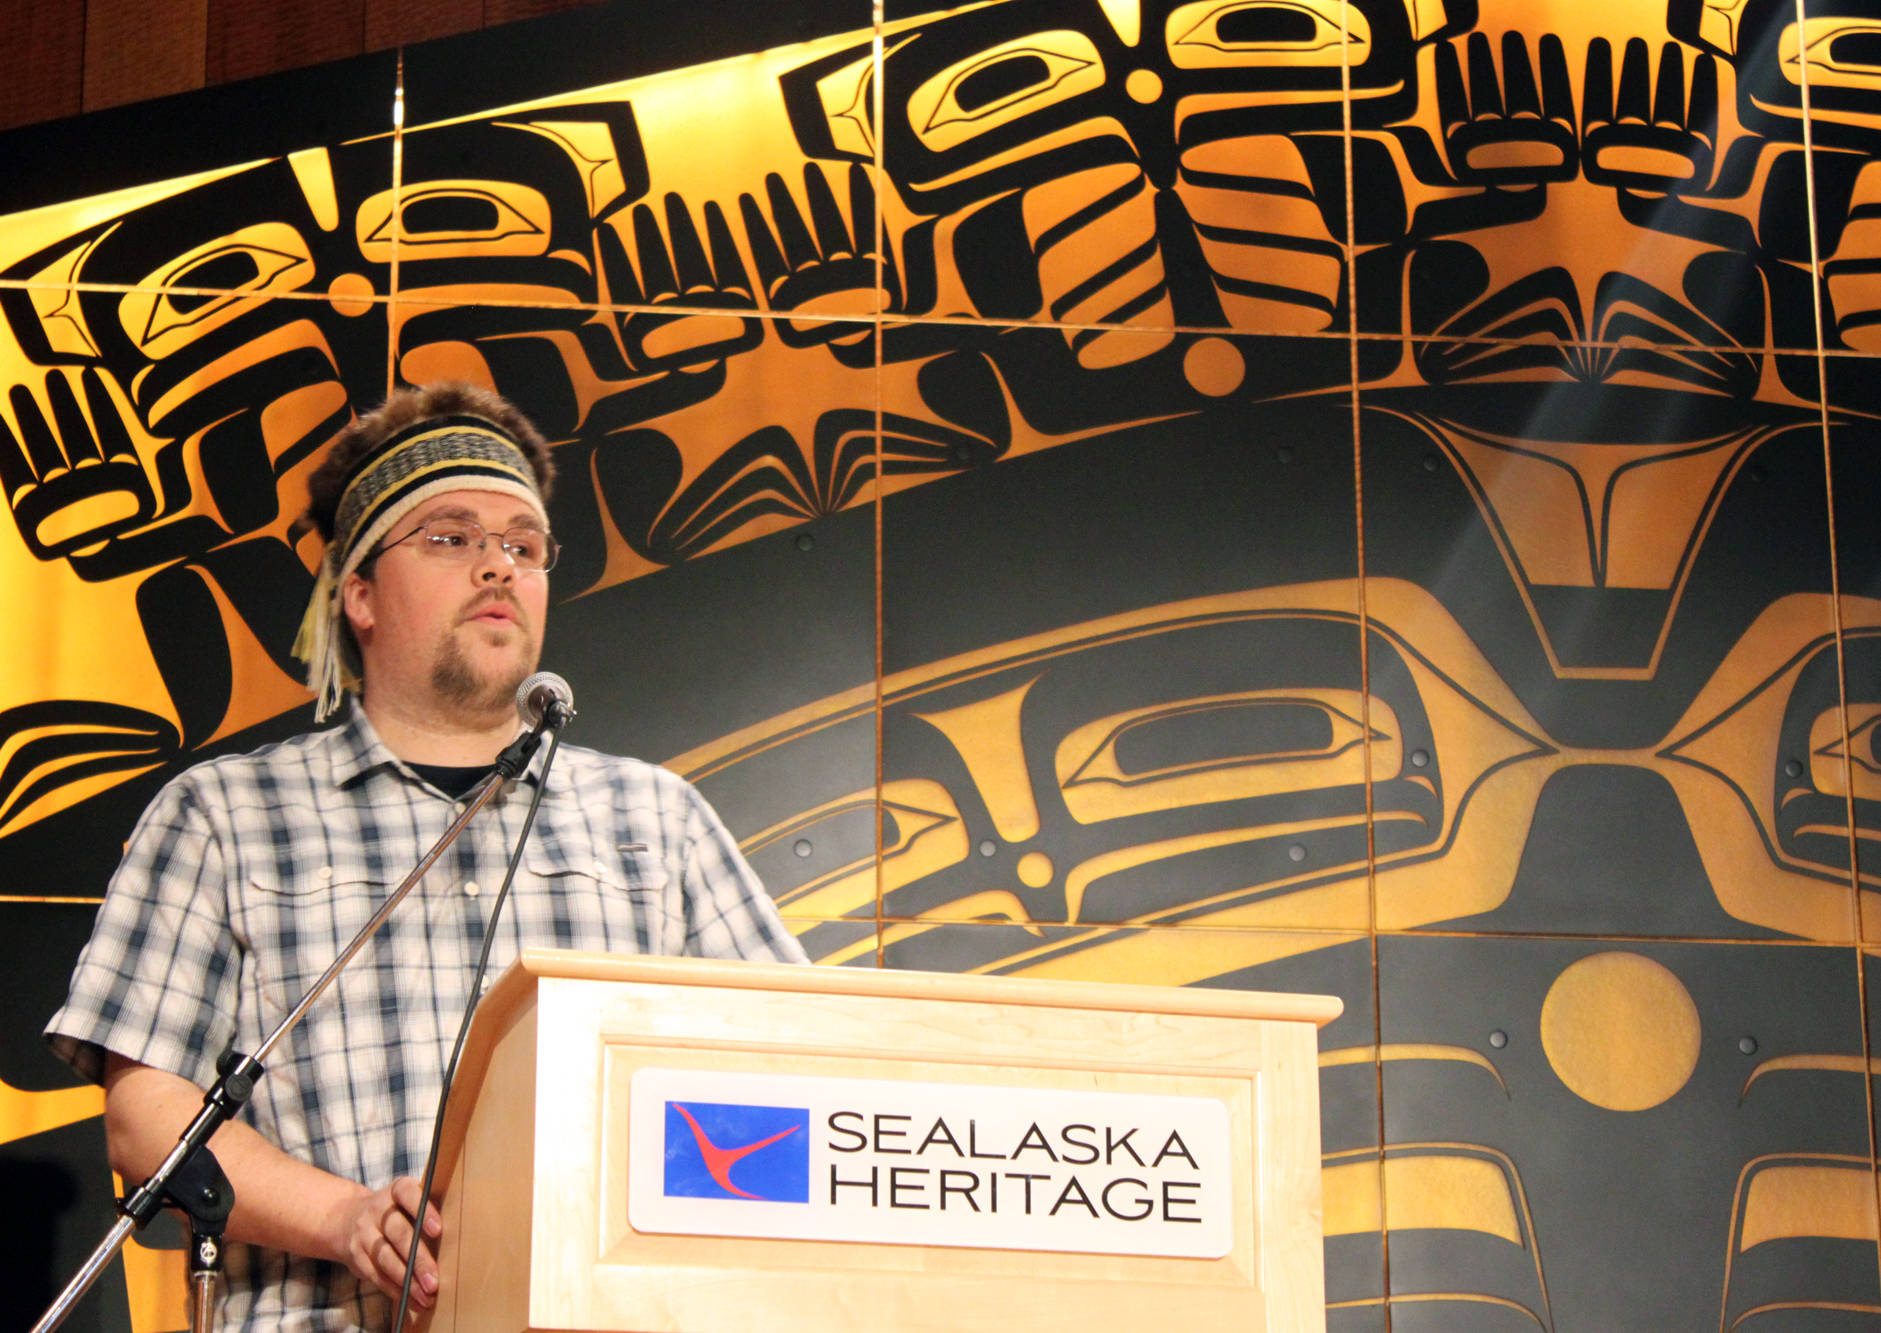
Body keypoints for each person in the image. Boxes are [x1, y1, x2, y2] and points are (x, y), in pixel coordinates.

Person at [45, 382, 808, 1333]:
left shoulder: (658, 819)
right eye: (451, 537)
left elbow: (799, 1076)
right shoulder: (224, 814)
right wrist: (347, 1217)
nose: (498, 566)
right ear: (358, 592)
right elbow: (147, 1120)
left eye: (523, 546)